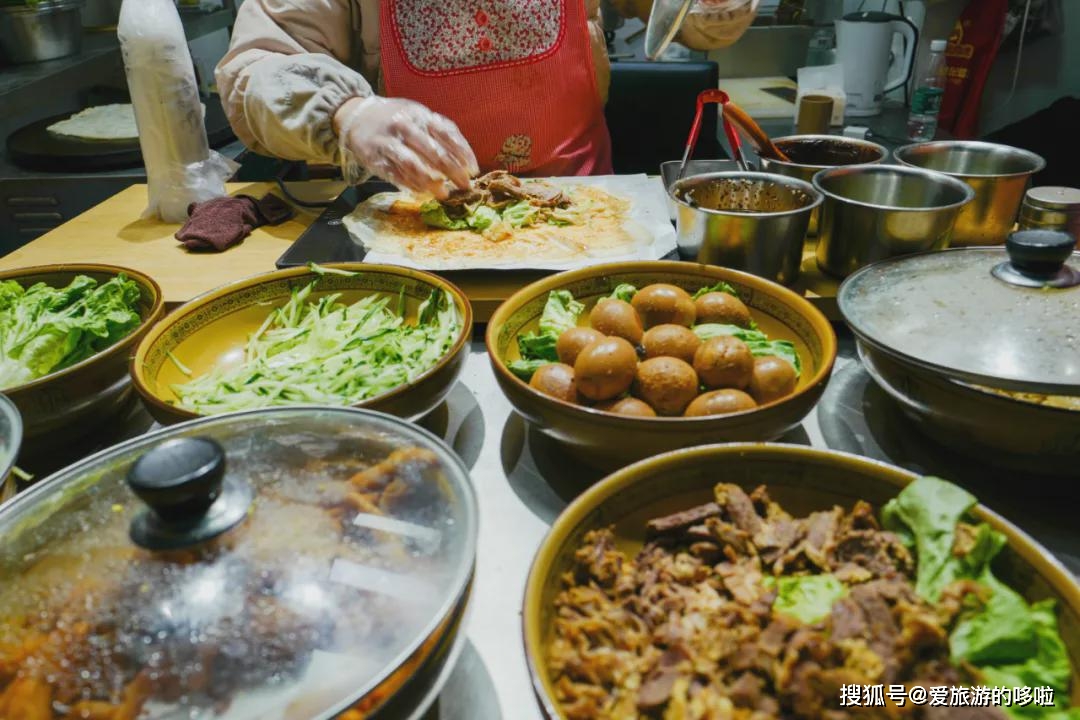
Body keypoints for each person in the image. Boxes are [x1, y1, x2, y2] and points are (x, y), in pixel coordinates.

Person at [216, 0, 758, 199]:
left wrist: (713, 7)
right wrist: (346, 110)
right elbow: (254, 67)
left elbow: (700, 25)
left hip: (585, 205)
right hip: (418, 214)